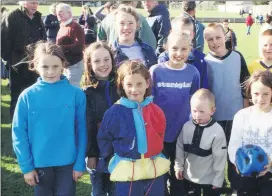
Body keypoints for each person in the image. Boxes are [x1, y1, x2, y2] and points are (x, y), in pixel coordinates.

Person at [12, 42, 87, 196]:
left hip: (68, 164)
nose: (51, 71)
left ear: (63, 65)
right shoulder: (27, 96)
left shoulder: (76, 94)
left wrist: (80, 163)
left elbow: (82, 130)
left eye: (55, 66)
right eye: (45, 67)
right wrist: (27, 167)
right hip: (40, 165)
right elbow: (19, 133)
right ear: (35, 65)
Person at [97, 60, 168, 196]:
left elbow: (160, 134)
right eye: (129, 85)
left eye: (139, 84)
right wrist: (110, 159)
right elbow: (104, 138)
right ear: (122, 85)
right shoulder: (114, 112)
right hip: (127, 171)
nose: (134, 89)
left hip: (153, 169)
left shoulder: (156, 111)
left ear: (147, 83)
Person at [150, 31, 200, 196]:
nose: (179, 53)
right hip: (159, 134)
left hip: (182, 134)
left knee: (179, 174)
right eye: (175, 48)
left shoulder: (193, 73)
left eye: (184, 49)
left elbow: (195, 101)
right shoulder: (156, 71)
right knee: (160, 173)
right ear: (166, 48)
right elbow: (148, 102)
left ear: (190, 50)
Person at [204, 23, 250, 192]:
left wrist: (246, 113)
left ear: (225, 37)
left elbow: (246, 87)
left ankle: (236, 187)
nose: (215, 42)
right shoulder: (205, 62)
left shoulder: (237, 57)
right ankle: (217, 185)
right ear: (205, 41)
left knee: (234, 155)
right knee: (215, 155)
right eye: (210, 39)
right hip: (213, 119)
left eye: (218, 37)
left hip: (235, 117)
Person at [228, 70, 272, 196]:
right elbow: (234, 143)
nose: (260, 99)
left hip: (269, 172)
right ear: (249, 93)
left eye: (266, 94)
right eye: (256, 93)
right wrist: (237, 162)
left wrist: (271, 162)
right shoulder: (241, 115)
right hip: (245, 170)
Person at [83, 42, 119, 196]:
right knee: (98, 191)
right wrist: (91, 154)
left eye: (106, 59)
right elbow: (88, 126)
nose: (103, 65)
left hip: (119, 151)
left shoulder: (121, 86)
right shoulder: (87, 93)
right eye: (97, 61)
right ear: (90, 65)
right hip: (98, 153)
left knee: (117, 190)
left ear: (112, 60)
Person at [175, 89, 227, 196]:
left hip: (209, 182)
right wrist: (178, 166)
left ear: (212, 111)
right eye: (194, 111)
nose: (197, 115)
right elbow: (179, 148)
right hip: (188, 178)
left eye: (202, 111)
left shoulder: (217, 131)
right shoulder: (186, 127)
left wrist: (218, 179)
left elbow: (220, 158)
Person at [1, 1, 46, 118]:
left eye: (37, 3)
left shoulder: (38, 17)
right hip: (17, 65)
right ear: (24, 3)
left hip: (35, 63)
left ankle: (32, 122)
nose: (35, 5)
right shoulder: (12, 16)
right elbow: (3, 39)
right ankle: (17, 126)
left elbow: (44, 39)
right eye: (32, 2)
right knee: (17, 95)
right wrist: (8, 60)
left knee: (35, 93)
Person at [158, 16, 209, 89]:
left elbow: (203, 90)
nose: (183, 38)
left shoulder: (201, 60)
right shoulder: (164, 59)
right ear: (171, 33)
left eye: (187, 34)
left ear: (192, 35)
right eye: (179, 33)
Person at [56, 3, 85, 87]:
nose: (58, 13)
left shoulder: (75, 27)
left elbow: (79, 46)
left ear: (69, 13)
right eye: (57, 12)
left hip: (74, 64)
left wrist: (60, 48)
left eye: (61, 11)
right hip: (65, 65)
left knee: (72, 89)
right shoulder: (62, 26)